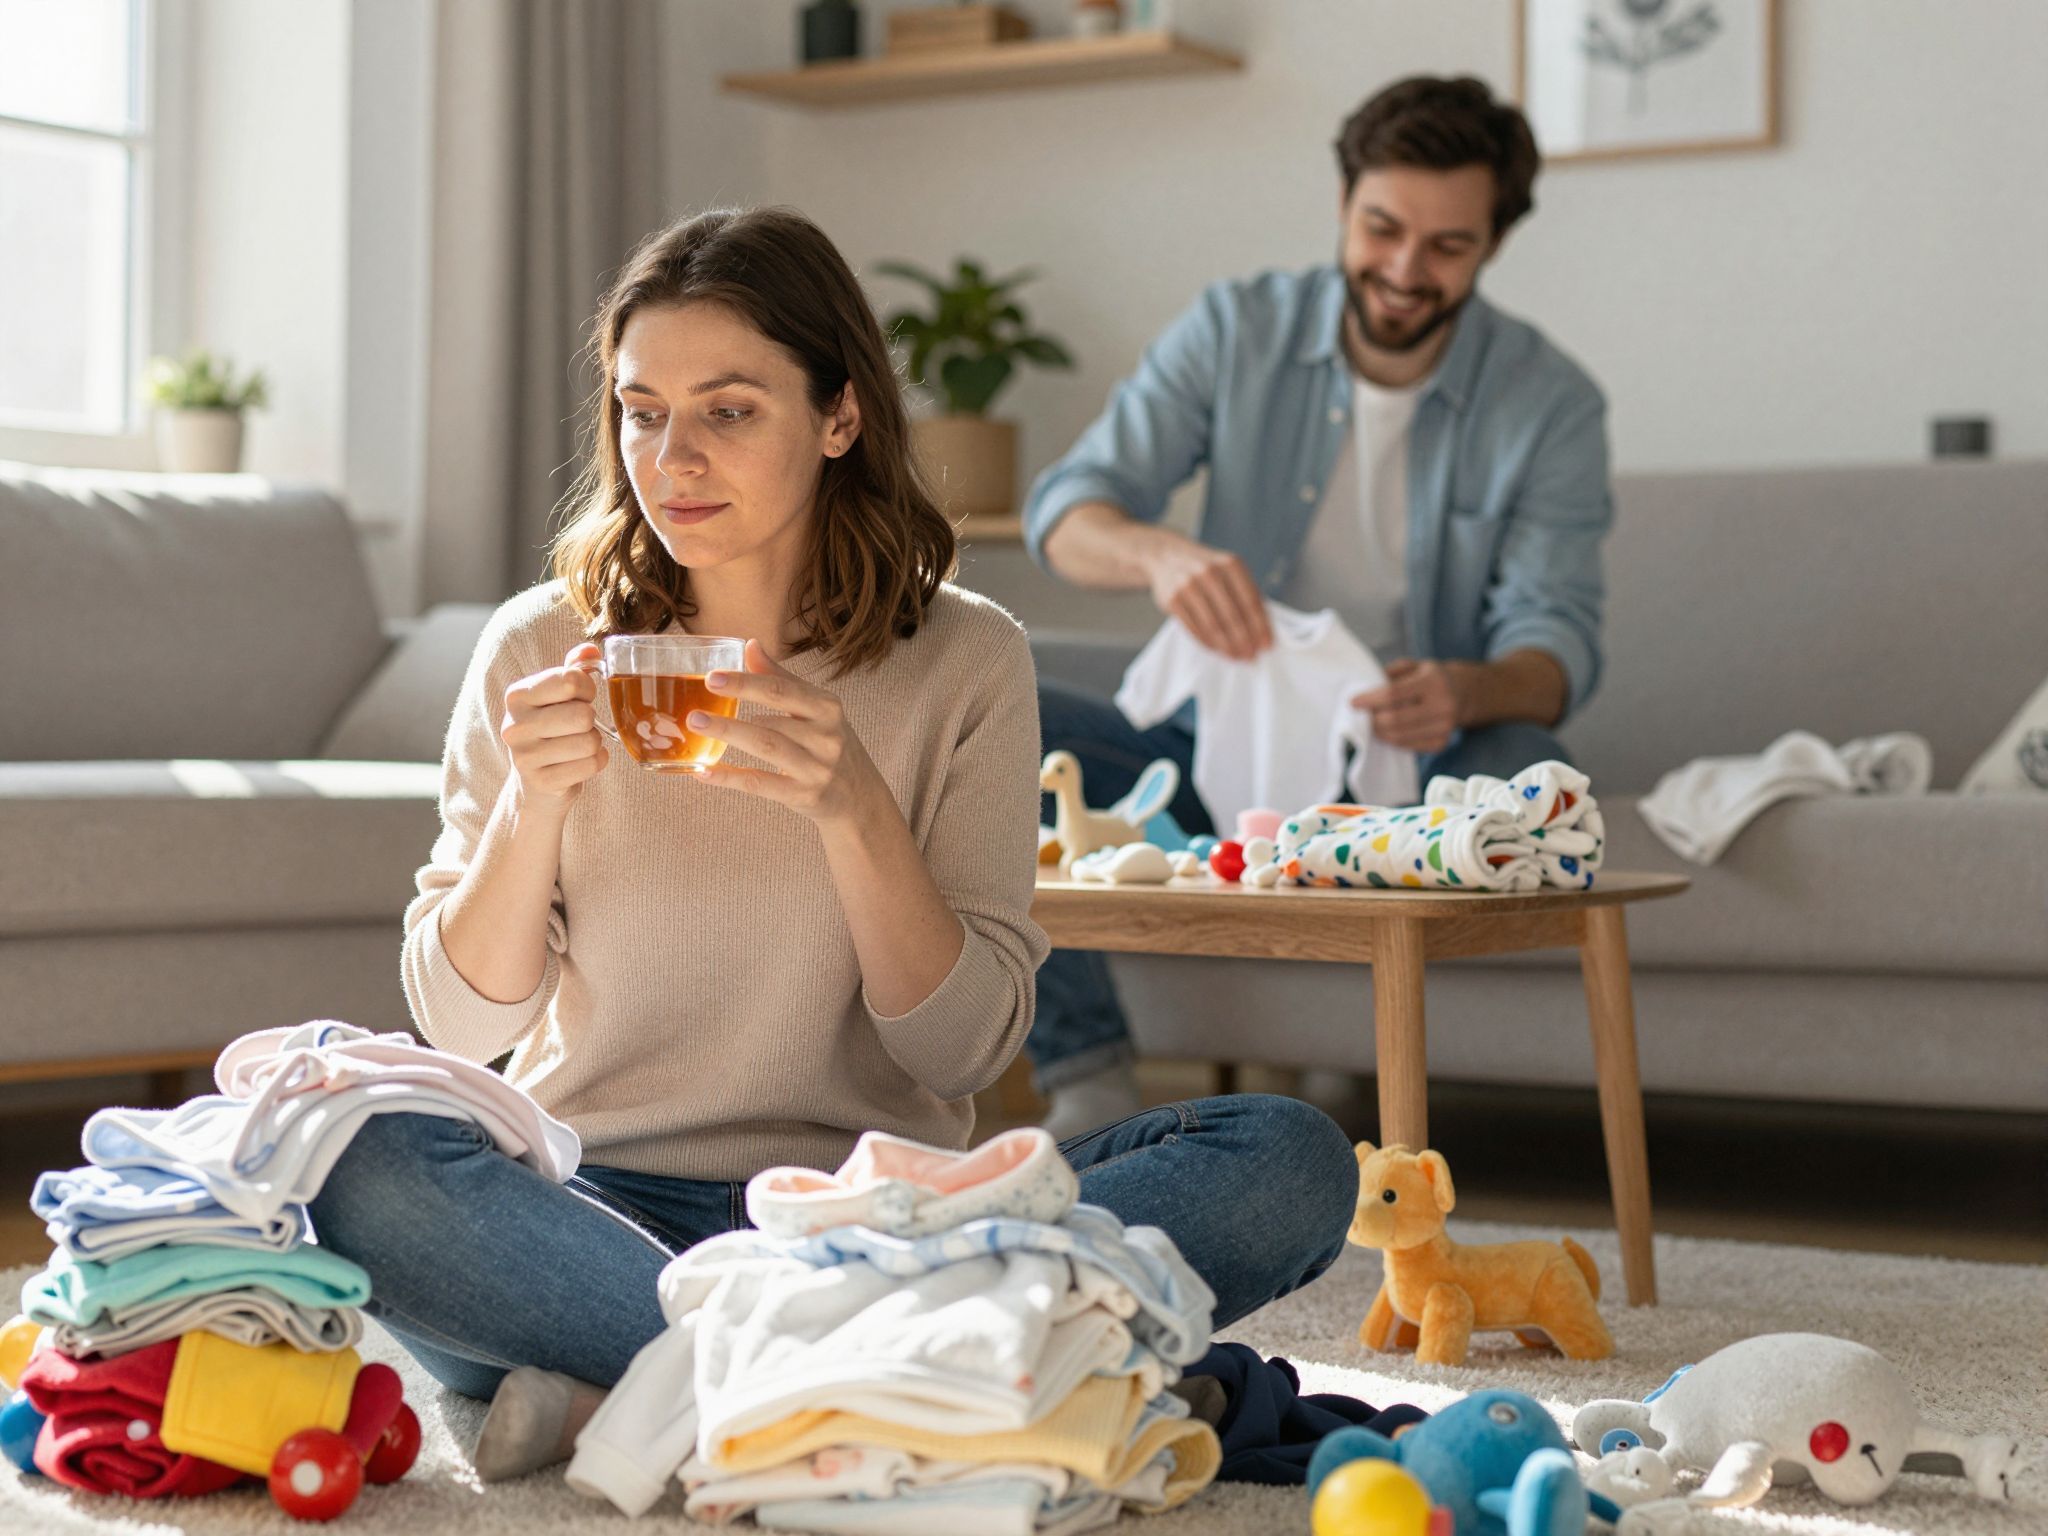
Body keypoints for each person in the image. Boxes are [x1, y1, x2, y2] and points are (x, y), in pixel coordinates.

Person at [304, 206, 1357, 1479]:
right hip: (588, 1211)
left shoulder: (967, 658)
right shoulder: (540, 649)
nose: (672, 457)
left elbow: (961, 1047)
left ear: (838, 417)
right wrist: (533, 808)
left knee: (1286, 1160)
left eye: (728, 410)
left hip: (885, 1217)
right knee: (356, 1155)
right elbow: (459, 1033)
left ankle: (667, 1396)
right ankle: (893, 1387)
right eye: (642, 411)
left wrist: (854, 806)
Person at [1022, 76, 1617, 1138]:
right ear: (1343, 205)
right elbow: (1064, 510)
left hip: (1410, 780)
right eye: (1381, 228)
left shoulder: (1548, 402)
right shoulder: (1235, 329)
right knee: (995, 711)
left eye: (1445, 247)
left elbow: (1556, 643)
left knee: (1523, 760)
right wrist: (1159, 557)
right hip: (1197, 770)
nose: (1401, 270)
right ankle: (1087, 1077)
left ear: (1491, 244)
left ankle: (1369, 1033)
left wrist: (1463, 689)